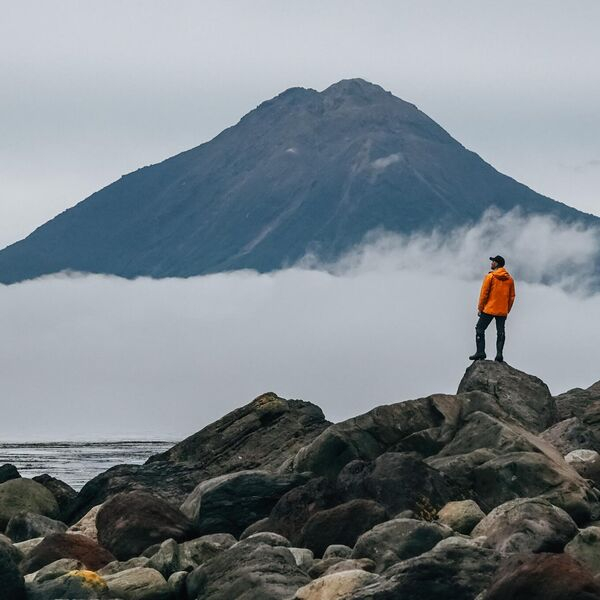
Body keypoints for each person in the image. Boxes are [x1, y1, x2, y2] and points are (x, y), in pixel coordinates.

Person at [469, 255, 516, 362]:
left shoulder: (490, 277)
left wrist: (480, 308)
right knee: (500, 332)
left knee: (479, 328)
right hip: (502, 310)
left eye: (493, 261)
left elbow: (484, 294)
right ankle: (499, 355)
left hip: (489, 309)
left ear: (497, 264)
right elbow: (512, 297)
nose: (491, 263)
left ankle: (480, 352)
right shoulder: (510, 280)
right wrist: (506, 309)